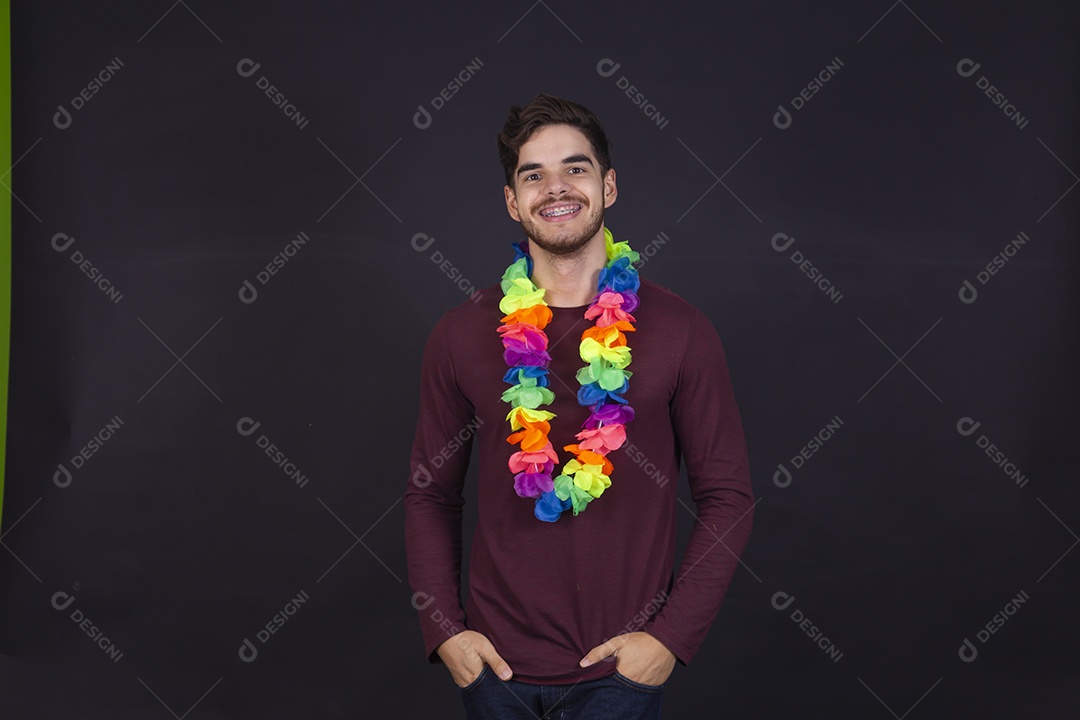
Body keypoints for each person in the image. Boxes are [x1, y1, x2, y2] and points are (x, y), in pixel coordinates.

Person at [404, 93, 753, 719]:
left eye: (576, 167)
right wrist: (445, 632)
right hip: (493, 670)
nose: (555, 187)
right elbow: (431, 494)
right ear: (512, 201)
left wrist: (668, 641)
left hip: (622, 672)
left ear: (608, 185)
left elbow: (728, 496)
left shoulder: (681, 330)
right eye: (532, 174)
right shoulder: (460, 333)